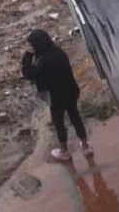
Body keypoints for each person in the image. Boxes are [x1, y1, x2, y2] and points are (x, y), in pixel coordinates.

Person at [21, 29, 92, 162]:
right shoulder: (59, 52)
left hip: (56, 98)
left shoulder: (42, 62)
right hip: (71, 91)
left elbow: (28, 74)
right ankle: (86, 146)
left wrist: (27, 56)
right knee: (75, 117)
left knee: (59, 123)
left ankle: (64, 151)